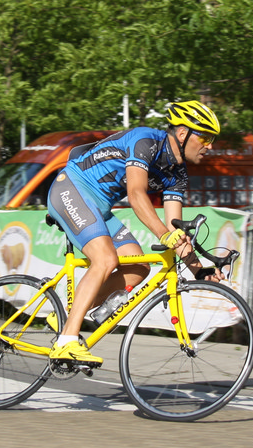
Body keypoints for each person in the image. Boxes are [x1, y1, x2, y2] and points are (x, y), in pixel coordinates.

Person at [43, 100, 220, 366]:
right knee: (105, 259)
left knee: (138, 267)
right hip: (71, 187)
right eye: (206, 138)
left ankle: (67, 317)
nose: (210, 146)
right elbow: (136, 194)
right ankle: (66, 342)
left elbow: (174, 227)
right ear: (183, 133)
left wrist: (199, 270)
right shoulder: (146, 141)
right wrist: (163, 235)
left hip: (99, 207)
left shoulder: (178, 173)